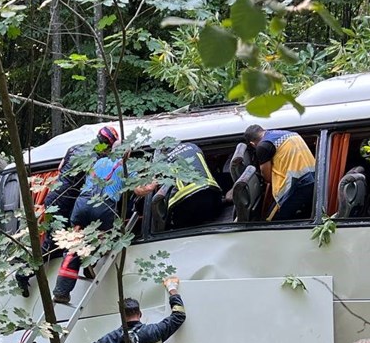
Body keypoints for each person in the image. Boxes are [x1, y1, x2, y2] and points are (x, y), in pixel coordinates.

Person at [18, 127, 119, 297]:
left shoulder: (74, 149)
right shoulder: (97, 159)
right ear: (108, 146)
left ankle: (86, 265)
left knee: (67, 239)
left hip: (54, 198)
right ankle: (23, 273)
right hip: (66, 204)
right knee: (55, 244)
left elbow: (60, 168)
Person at [53, 132, 126, 304]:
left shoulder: (99, 161)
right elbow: (139, 190)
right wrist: (153, 184)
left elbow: (61, 168)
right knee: (107, 236)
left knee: (74, 245)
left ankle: (61, 292)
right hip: (104, 206)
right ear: (127, 153)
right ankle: (90, 260)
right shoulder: (126, 166)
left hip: (82, 203)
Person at [136, 142, 220, 230]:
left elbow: (154, 183)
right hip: (210, 191)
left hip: (183, 198)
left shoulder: (161, 158)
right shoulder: (192, 146)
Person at [244, 124, 316, 221]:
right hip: (313, 177)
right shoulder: (288, 134)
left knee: (272, 220)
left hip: (296, 184)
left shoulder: (263, 146)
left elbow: (267, 177)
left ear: (252, 144)